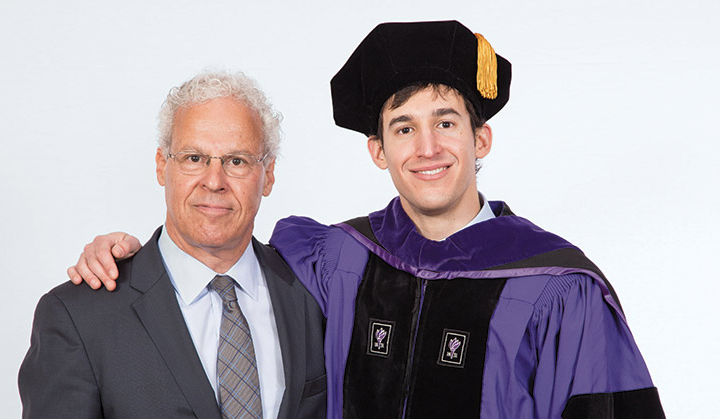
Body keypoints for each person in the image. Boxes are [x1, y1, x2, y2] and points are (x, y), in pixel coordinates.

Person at [68, 21, 665, 418]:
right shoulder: (338, 259)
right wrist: (127, 256)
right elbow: (220, 251)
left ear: (480, 138)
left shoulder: (559, 290)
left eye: (447, 122)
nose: (427, 148)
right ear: (378, 150)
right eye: (403, 128)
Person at [19, 71, 327, 419]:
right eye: (194, 158)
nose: (214, 181)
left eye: (237, 161)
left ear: (268, 175)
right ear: (161, 166)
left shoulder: (317, 293)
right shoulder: (79, 316)